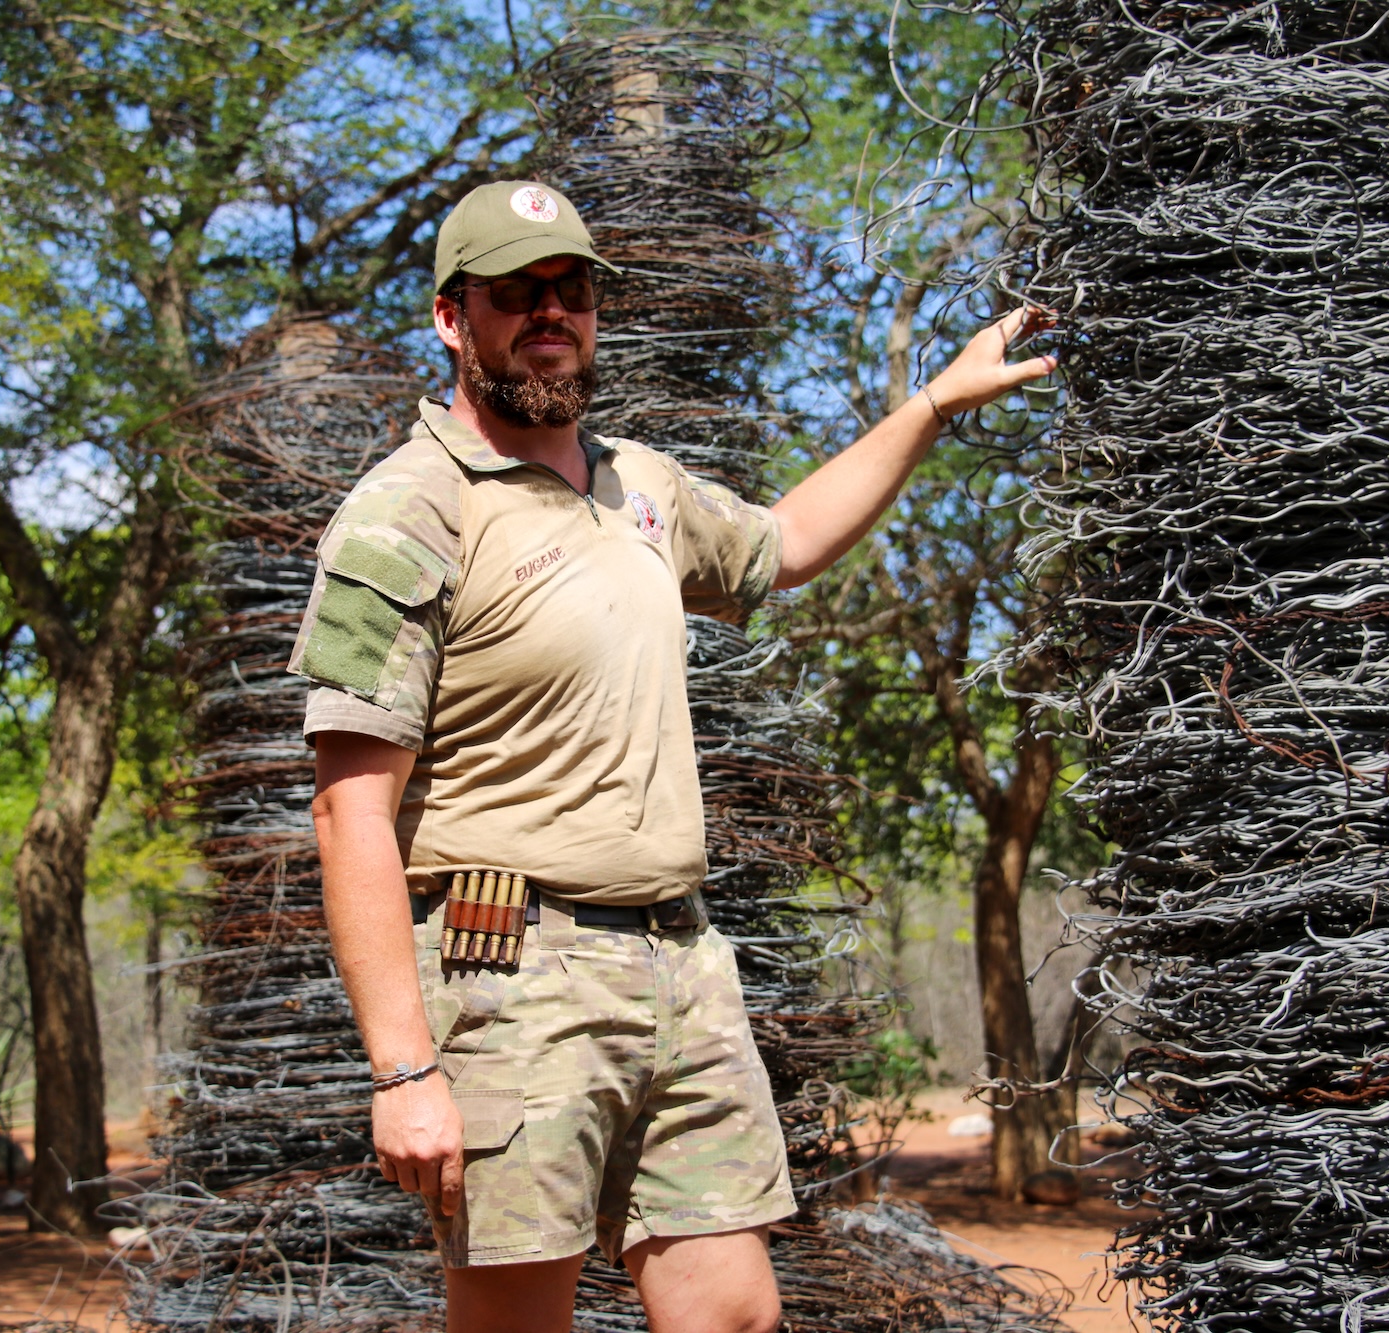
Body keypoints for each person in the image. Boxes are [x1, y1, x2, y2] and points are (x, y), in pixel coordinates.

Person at [292, 179, 1054, 1333]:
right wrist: (402, 1071)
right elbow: (348, 811)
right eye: (516, 293)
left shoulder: (635, 484)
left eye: (574, 289)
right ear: (453, 317)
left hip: (681, 964)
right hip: (510, 974)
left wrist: (935, 403)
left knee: (735, 1314)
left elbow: (784, 543)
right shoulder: (408, 513)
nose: (551, 313)